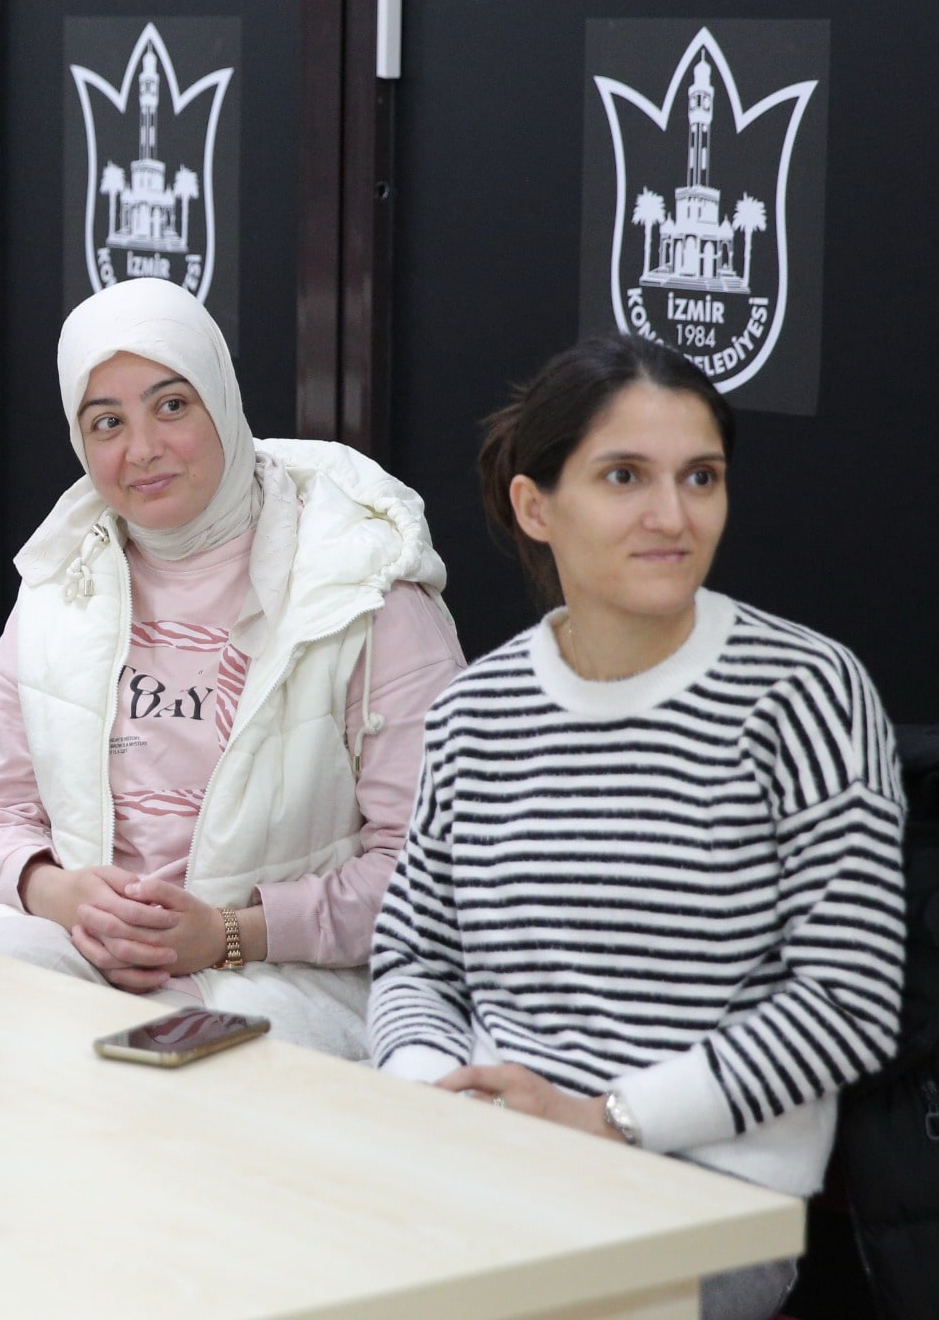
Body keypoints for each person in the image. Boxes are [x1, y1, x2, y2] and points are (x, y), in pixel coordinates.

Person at [368, 337, 906, 1320]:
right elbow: (412, 957)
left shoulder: (804, 692)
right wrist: (440, 1094)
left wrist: (605, 1118)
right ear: (536, 506)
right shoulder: (476, 710)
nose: (673, 515)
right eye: (625, 476)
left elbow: (849, 998)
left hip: (708, 1189)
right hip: (488, 1153)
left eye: (700, 477)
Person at [0, 278, 460, 1057]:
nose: (142, 449)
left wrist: (226, 934)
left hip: (286, 971)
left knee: (184, 1087)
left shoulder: (364, 589)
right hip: (87, 952)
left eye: (172, 406)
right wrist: (59, 893)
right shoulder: (60, 585)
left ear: (221, 401)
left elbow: (425, 871)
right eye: (107, 422)